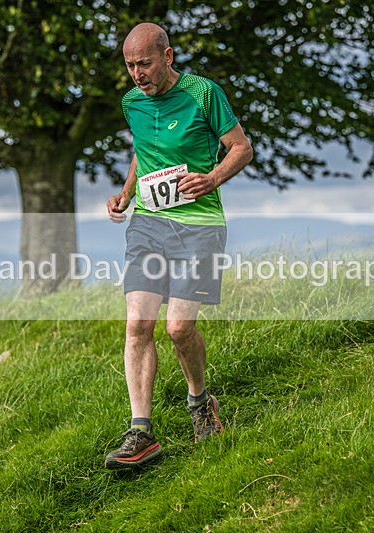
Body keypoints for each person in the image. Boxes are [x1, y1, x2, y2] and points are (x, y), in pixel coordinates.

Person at [103, 23, 253, 469]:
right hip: (148, 225)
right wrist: (127, 193)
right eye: (130, 66)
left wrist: (212, 178)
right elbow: (143, 151)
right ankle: (141, 432)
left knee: (178, 329)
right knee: (137, 326)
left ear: (167, 57)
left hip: (199, 225)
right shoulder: (132, 102)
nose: (136, 74)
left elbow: (241, 149)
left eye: (144, 63)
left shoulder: (204, 94)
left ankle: (200, 403)